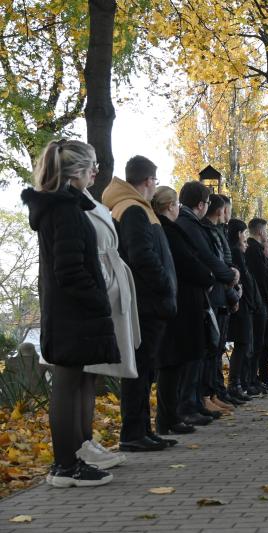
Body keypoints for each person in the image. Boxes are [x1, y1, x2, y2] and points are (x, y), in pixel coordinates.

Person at [22, 139, 120, 487]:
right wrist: (98, 300)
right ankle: (65, 467)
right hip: (72, 314)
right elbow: (70, 270)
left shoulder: (63, 207)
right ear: (76, 171)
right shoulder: (64, 210)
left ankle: (73, 460)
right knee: (66, 385)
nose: (96, 171)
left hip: (68, 313)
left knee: (74, 383)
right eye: (91, 165)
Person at [103, 156, 177, 452]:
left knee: (145, 370)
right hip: (146, 304)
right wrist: (164, 287)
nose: (155, 186)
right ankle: (133, 432)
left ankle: (143, 429)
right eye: (155, 181)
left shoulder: (134, 207)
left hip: (147, 303)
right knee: (140, 370)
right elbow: (142, 256)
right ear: (148, 181)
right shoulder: (134, 209)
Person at [81, 176, 139, 470]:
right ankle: (77, 449)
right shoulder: (74, 207)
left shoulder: (90, 203)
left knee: (89, 379)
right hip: (100, 288)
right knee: (81, 378)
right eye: (91, 166)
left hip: (109, 284)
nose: (95, 172)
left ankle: (87, 441)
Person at [152, 186, 218, 435]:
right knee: (173, 364)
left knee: (177, 363)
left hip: (182, 302)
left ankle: (171, 417)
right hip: (180, 304)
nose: (179, 208)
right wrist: (208, 276)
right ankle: (170, 417)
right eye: (176, 204)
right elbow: (188, 262)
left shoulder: (169, 230)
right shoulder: (168, 231)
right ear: (170, 206)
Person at [176, 182, 241, 419]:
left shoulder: (195, 225)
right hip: (204, 294)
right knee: (202, 351)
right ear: (202, 205)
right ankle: (194, 402)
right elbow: (207, 258)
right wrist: (229, 276)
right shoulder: (191, 225)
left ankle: (203, 399)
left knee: (209, 349)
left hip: (212, 292)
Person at [227, 218, 264, 398]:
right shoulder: (236, 253)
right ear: (238, 234)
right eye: (243, 233)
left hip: (247, 305)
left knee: (246, 346)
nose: (245, 238)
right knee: (243, 346)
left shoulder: (239, 253)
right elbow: (244, 281)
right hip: (242, 306)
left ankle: (242, 383)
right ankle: (236, 383)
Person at [245, 218, 268, 390]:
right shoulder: (253, 251)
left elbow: (267, 275)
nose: (266, 234)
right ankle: (250, 380)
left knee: (259, 344)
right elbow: (259, 278)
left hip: (263, 300)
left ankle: (254, 379)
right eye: (265, 230)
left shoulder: (258, 250)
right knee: (255, 344)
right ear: (259, 232)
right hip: (258, 302)